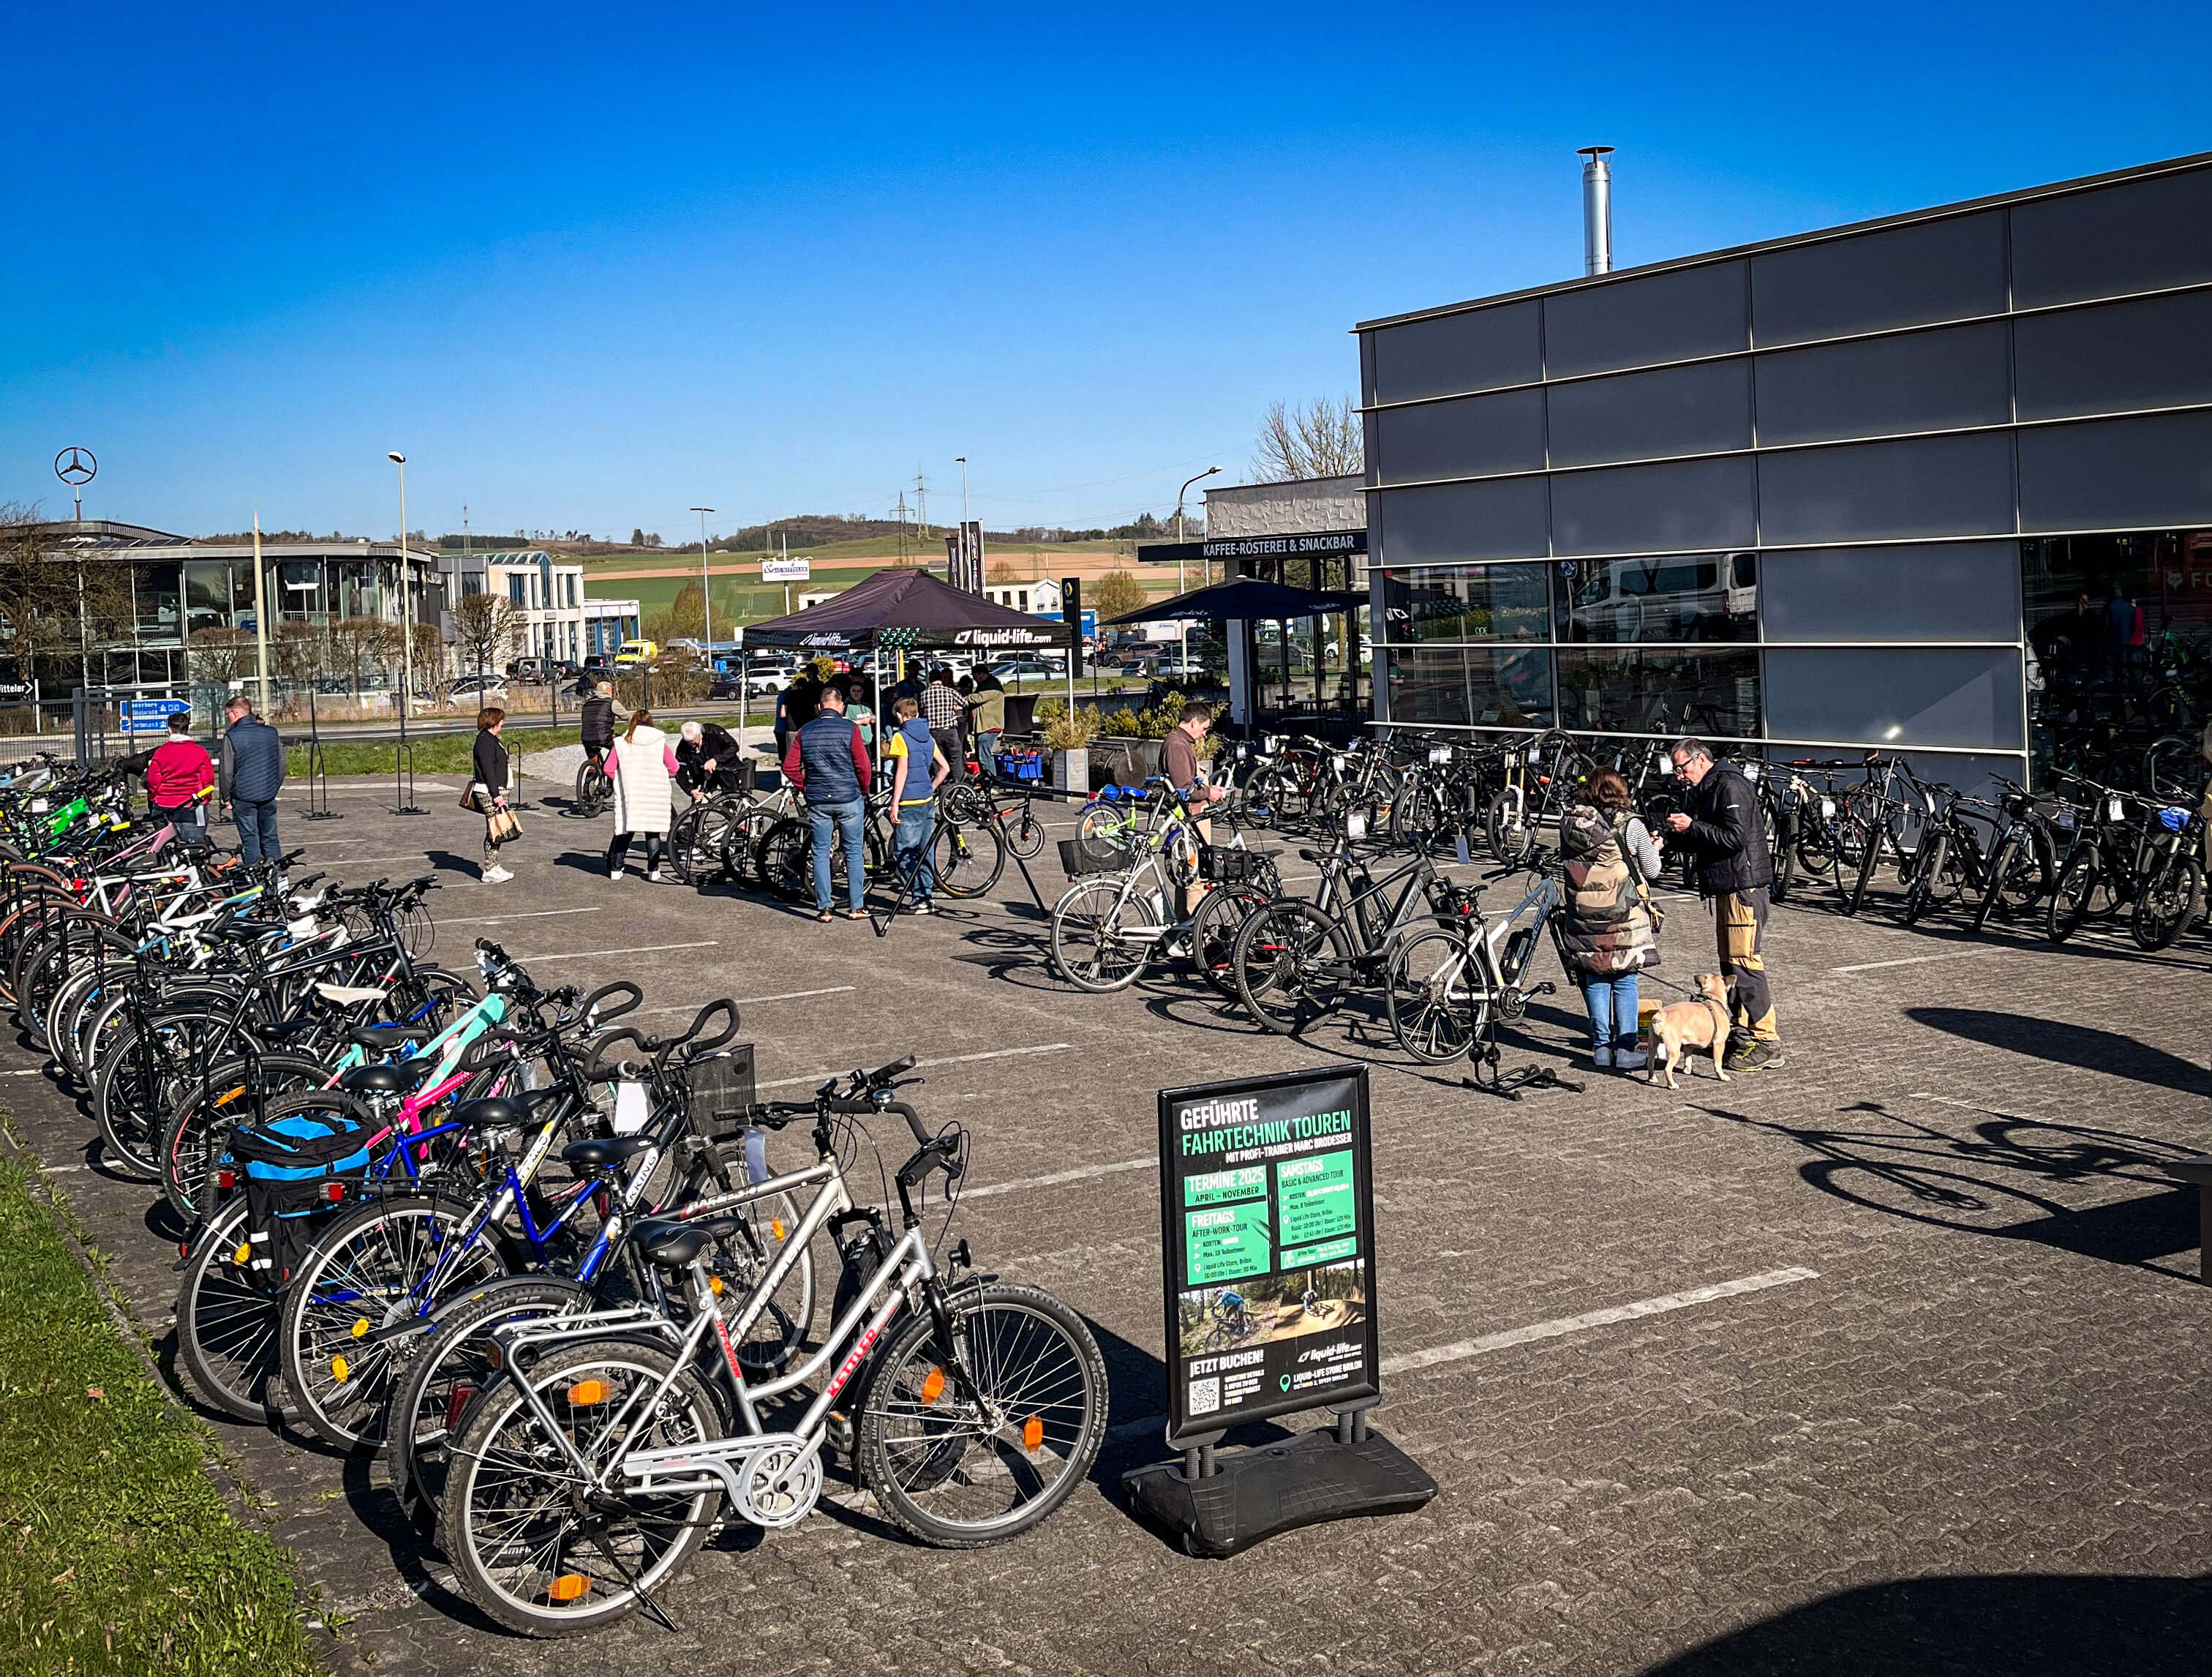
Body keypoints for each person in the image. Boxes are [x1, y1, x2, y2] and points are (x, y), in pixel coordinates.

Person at [1662, 737, 1783, 1073]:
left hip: (1743, 888)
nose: (1679, 776)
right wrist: (1671, 839)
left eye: (1682, 768)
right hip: (1726, 888)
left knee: (1745, 963)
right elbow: (1707, 839)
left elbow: (1734, 838)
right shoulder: (1707, 788)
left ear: (1700, 760)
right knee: (1730, 966)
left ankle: (1767, 1041)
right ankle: (1741, 1032)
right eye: (1675, 771)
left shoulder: (1729, 785)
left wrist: (1692, 826)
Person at [1557, 768, 1662, 1070]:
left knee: (1595, 977)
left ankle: (1601, 1048)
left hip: (1583, 913)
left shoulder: (1570, 823)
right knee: (1625, 979)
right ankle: (1626, 1050)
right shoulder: (1631, 825)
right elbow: (1652, 870)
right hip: (1622, 915)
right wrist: (1654, 849)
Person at [780, 683, 873, 922]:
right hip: (848, 796)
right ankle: (856, 906)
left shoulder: (805, 731)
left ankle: (825, 908)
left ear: (819, 708)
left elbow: (789, 766)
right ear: (841, 707)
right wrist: (864, 789)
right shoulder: (850, 729)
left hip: (818, 799)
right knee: (853, 851)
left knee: (820, 852)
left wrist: (804, 786)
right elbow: (863, 765)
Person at [885, 695, 949, 912]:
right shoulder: (928, 737)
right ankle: (927, 896)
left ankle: (919, 896)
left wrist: (895, 802)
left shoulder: (900, 737)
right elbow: (945, 768)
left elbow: (902, 771)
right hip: (927, 800)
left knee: (903, 853)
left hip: (909, 800)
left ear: (899, 716)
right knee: (925, 851)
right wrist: (931, 786)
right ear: (918, 714)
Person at [606, 708, 681, 882]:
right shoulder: (659, 741)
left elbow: (608, 769)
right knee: (653, 832)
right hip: (654, 791)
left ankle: (616, 869)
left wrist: (622, 779)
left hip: (630, 792)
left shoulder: (621, 742)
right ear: (650, 722)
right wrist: (663, 776)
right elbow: (674, 767)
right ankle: (653, 871)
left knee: (624, 830)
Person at [219, 694, 286, 866]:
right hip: (268, 794)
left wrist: (226, 798)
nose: (228, 719)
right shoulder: (271, 733)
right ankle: (277, 876)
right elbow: (281, 765)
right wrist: (273, 788)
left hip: (243, 797)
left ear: (235, 713)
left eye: (228, 715)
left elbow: (227, 772)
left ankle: (256, 876)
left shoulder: (232, 736)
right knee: (271, 838)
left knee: (250, 839)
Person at [146, 713, 216, 850]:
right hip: (191, 804)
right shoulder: (200, 752)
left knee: (163, 849)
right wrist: (205, 798)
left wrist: (154, 798)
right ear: (187, 729)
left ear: (169, 730)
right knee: (194, 848)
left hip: (164, 806)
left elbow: (153, 782)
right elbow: (208, 780)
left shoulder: (160, 753)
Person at [471, 707, 517, 883]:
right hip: (489, 791)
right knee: (495, 829)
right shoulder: (485, 741)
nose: (502, 724)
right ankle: (490, 869)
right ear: (493, 721)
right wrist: (496, 794)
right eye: (500, 720)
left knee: (496, 828)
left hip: (494, 790)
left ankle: (493, 865)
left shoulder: (491, 739)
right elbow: (488, 769)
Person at [674, 718, 742, 800]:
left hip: (726, 771)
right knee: (698, 804)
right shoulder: (683, 747)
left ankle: (731, 805)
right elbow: (680, 772)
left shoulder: (713, 732)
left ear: (700, 734)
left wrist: (716, 759)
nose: (691, 745)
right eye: (688, 742)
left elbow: (733, 747)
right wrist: (690, 790)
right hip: (702, 776)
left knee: (730, 800)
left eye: (694, 741)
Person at [921, 667, 966, 771]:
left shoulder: (923, 694)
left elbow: (922, 711)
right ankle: (957, 780)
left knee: (938, 760)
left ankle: (941, 780)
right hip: (949, 730)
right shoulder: (950, 691)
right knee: (955, 758)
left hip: (932, 732)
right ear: (941, 678)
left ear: (929, 680)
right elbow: (965, 703)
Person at [968, 673, 1007, 779]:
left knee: (984, 757)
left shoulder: (991, 686)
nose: (976, 678)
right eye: (975, 676)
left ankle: (992, 781)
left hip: (989, 727)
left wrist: (962, 697)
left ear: (983, 674)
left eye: (978, 675)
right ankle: (986, 780)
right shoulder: (984, 685)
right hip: (985, 727)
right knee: (982, 756)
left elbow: (978, 698)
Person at [579, 680, 619, 777]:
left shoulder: (587, 704)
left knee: (594, 762)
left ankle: (589, 781)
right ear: (608, 691)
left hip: (586, 738)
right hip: (603, 738)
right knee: (619, 746)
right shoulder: (612, 703)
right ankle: (609, 768)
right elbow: (628, 717)